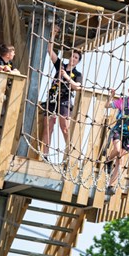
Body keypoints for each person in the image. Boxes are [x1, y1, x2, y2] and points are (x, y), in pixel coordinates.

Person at [41, 26, 83, 158]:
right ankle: (45, 154)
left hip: (64, 99)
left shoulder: (77, 74)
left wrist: (65, 76)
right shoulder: (60, 65)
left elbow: (77, 86)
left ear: (78, 61)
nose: (73, 58)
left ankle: (69, 152)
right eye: (72, 56)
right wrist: (53, 34)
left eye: (76, 57)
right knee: (48, 126)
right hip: (53, 98)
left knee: (64, 127)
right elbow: (49, 50)